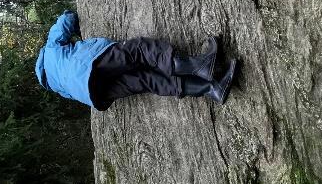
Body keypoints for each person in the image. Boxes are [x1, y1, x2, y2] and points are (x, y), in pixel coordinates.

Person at [35, 10, 237, 111]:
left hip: (94, 94)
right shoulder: (50, 49)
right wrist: (68, 14)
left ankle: (212, 89)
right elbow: (65, 23)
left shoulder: (53, 85)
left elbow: (73, 91)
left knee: (146, 80)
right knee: (140, 50)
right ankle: (199, 66)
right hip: (91, 64)